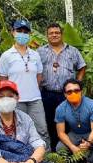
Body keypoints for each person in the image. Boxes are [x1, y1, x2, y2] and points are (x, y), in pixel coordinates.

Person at [0, 19, 50, 151]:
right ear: (12, 32)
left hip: (35, 100)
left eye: (25, 31)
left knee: (42, 130)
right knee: (19, 133)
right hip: (16, 101)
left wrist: (31, 88)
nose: (22, 34)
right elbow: (3, 80)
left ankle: (47, 158)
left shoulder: (35, 55)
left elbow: (39, 76)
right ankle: (23, 158)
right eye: (19, 31)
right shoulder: (6, 56)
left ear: (29, 34)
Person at [37, 23, 87, 151]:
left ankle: (71, 151)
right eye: (51, 33)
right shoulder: (40, 52)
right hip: (47, 94)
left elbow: (82, 67)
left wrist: (77, 84)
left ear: (61, 34)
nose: (54, 35)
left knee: (69, 122)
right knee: (49, 122)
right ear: (47, 35)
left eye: (57, 32)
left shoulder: (72, 51)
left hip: (67, 95)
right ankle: (54, 152)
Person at [55, 79, 93, 163]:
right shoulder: (60, 108)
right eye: (69, 92)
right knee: (60, 148)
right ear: (65, 94)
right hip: (75, 133)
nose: (73, 93)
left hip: (91, 131)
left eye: (76, 90)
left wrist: (88, 142)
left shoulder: (92, 105)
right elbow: (60, 133)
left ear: (81, 91)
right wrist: (72, 147)